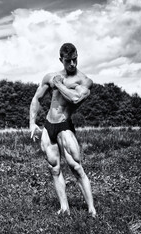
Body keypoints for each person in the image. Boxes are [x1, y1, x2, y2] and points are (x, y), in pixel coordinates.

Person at [29, 43, 97, 217]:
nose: (72, 64)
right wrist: (32, 122)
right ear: (61, 60)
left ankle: (91, 209)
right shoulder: (50, 77)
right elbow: (36, 98)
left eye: (75, 60)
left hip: (64, 126)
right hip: (48, 126)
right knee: (54, 168)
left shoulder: (84, 80)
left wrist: (58, 85)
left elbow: (75, 98)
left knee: (75, 166)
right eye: (68, 61)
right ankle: (64, 207)